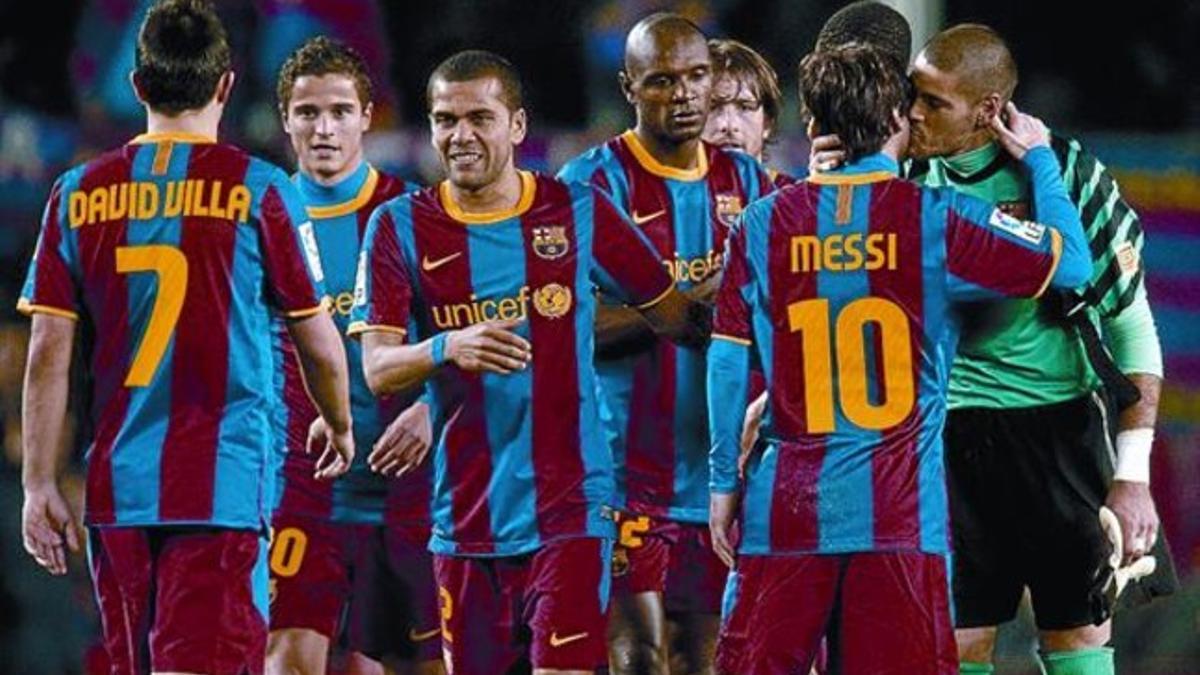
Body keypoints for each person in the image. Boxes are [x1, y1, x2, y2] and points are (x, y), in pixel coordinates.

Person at [708, 43, 1092, 674]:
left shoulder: (760, 224)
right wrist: (1042, 159)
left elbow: (726, 366)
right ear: (898, 119)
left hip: (784, 513)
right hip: (898, 518)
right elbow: (1070, 263)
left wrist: (724, 485)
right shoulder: (939, 219)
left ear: (813, 127)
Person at [17, 1, 353, 673]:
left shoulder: (76, 193)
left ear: (137, 85)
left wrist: (38, 482)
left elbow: (47, 355)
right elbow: (317, 337)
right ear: (226, 85)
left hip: (117, 492)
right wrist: (339, 422)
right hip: (220, 489)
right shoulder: (259, 190)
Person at [349, 49, 706, 675]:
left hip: (570, 508)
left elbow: (674, 314)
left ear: (516, 125)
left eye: (479, 118)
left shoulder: (575, 209)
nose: (460, 136)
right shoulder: (399, 227)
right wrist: (446, 348)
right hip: (464, 519)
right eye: (445, 120)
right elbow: (377, 366)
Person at [903, 25, 1175, 675]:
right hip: (949, 434)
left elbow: (1131, 325)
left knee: (1078, 636)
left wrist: (1132, 475)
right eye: (913, 94)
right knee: (958, 642)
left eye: (933, 102)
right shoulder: (904, 179)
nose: (912, 112)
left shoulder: (1071, 175)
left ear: (989, 109)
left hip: (1059, 430)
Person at [558, 14, 769, 674]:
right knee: (638, 654)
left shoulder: (750, 184)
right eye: (662, 80)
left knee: (705, 659)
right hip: (623, 471)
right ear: (629, 87)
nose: (683, 94)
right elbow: (564, 324)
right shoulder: (591, 183)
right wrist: (680, 307)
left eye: (697, 76)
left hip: (715, 475)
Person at [266, 36, 441, 675]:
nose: (324, 128)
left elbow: (463, 335)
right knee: (287, 659)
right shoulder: (261, 215)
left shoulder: (412, 214)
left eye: (340, 111)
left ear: (369, 116)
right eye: (308, 112)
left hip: (403, 490)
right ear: (285, 118)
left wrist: (431, 408)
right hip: (298, 490)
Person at [702, 38, 794, 188]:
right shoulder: (658, 201)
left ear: (767, 123)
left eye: (745, 107)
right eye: (712, 107)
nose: (729, 125)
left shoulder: (799, 203)